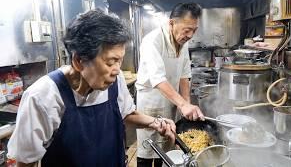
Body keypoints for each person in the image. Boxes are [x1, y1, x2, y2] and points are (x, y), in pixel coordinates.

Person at [7, 9, 176, 167]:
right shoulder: (43, 97)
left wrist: (156, 122)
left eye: (120, 60)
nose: (117, 70)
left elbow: (125, 113)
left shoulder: (116, 81)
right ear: (78, 60)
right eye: (110, 62)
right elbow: (26, 161)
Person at [135, 3, 204, 167]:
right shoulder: (152, 40)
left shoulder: (183, 42)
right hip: (152, 103)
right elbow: (157, 78)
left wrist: (185, 103)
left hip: (171, 101)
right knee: (147, 149)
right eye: (187, 30)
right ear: (171, 23)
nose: (190, 35)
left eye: (194, 30)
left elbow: (184, 75)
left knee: (165, 150)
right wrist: (182, 103)